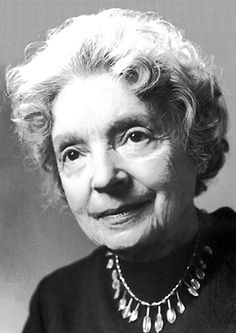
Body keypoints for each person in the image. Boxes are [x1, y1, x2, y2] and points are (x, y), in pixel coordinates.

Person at [5, 8, 236, 333]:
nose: (103, 178)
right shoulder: (56, 305)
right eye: (73, 154)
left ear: (196, 144)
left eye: (135, 137)